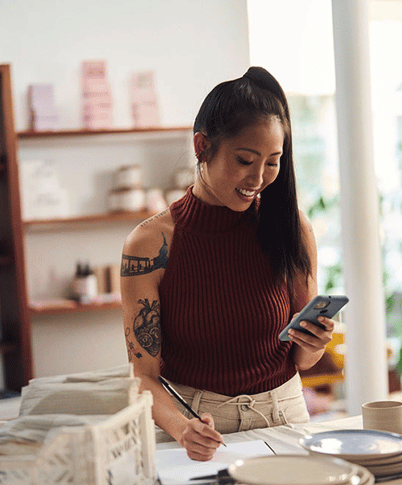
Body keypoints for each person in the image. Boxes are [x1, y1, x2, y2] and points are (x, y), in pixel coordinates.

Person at [121, 66, 334, 460]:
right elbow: (143, 376)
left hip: (282, 415)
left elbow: (302, 358)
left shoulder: (291, 228)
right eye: (245, 159)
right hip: (192, 423)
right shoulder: (150, 244)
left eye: (273, 162)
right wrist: (184, 429)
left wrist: (314, 343)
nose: (259, 177)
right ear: (202, 145)